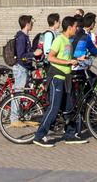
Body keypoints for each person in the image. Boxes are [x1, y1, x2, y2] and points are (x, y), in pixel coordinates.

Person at [33, 16, 88, 147]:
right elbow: (51, 57)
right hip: (57, 78)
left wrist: (77, 58)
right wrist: (69, 61)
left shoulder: (68, 41)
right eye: (75, 27)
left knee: (69, 109)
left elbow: (65, 57)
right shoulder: (59, 40)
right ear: (69, 27)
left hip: (66, 79)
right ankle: (39, 136)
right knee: (53, 108)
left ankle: (70, 134)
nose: (77, 29)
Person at [11, 15, 42, 125]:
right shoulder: (21, 37)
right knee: (18, 93)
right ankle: (14, 119)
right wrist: (33, 53)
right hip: (20, 68)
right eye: (31, 22)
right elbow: (21, 55)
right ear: (27, 24)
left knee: (24, 92)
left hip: (25, 67)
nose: (32, 24)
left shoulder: (25, 36)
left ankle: (22, 115)